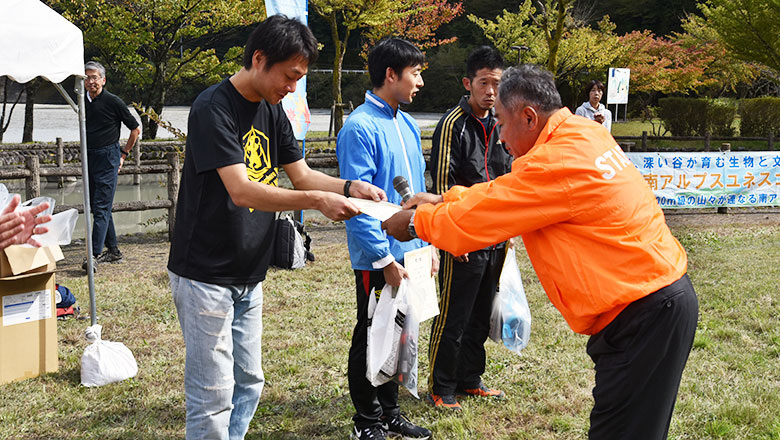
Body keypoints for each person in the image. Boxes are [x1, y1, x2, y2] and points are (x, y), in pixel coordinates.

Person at [383, 64, 699, 440]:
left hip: (642, 313)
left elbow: (487, 214)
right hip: (656, 299)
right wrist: (441, 198)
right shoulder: (581, 134)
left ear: (529, 117)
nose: (499, 136)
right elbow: (505, 193)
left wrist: (418, 224)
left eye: (501, 122)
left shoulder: (555, 161)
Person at [166, 15, 385, 440]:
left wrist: (348, 187)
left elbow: (301, 175)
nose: (292, 88)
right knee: (213, 394)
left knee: (250, 382)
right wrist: (318, 202)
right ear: (259, 59)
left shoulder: (272, 108)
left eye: (299, 79)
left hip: (250, 269)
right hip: (205, 273)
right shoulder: (213, 108)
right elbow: (243, 191)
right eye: (290, 76)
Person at [336, 38, 433, 440]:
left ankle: (391, 411)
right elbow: (356, 206)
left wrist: (427, 244)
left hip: (411, 252)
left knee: (400, 333)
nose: (421, 82)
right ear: (390, 75)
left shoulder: (406, 123)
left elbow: (418, 192)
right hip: (378, 258)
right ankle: (367, 420)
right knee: (372, 331)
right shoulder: (359, 128)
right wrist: (382, 260)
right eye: (415, 73)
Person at [425, 46, 512, 410]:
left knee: (480, 312)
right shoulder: (452, 125)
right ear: (468, 83)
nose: (491, 91)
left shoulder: (501, 125)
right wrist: (450, 236)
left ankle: (470, 379)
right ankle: (441, 386)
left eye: (497, 84)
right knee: (453, 313)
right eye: (484, 83)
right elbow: (441, 187)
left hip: (496, 238)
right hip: (461, 238)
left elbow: (509, 182)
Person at [82, 60, 142, 271]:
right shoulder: (81, 101)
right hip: (89, 157)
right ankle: (114, 250)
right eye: (87, 77)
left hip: (109, 157)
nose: (90, 81)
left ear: (103, 80)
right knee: (98, 207)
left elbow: (135, 129)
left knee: (100, 208)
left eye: (94, 77)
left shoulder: (113, 101)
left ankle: (93, 255)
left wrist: (123, 155)